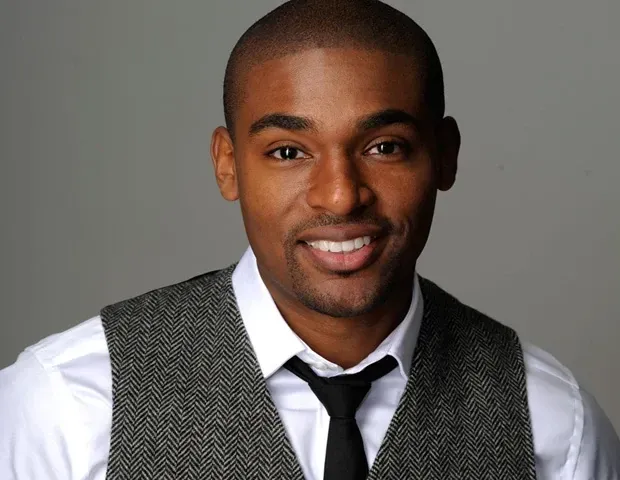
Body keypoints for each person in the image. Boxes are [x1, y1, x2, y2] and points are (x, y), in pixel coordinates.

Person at [1, 0, 619, 478]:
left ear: (445, 156)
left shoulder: (553, 424)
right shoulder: (69, 405)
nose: (341, 196)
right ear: (228, 165)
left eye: (384, 147)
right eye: (288, 152)